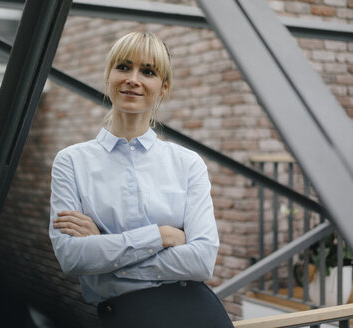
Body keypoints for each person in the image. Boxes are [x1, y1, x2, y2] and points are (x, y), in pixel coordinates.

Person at [49, 32, 233, 328]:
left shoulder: (188, 164)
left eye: (148, 71)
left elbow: (201, 261)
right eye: (123, 67)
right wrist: (160, 236)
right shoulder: (71, 162)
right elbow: (72, 257)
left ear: (163, 88)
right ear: (108, 76)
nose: (133, 79)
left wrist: (105, 250)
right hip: (125, 317)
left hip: (198, 313)